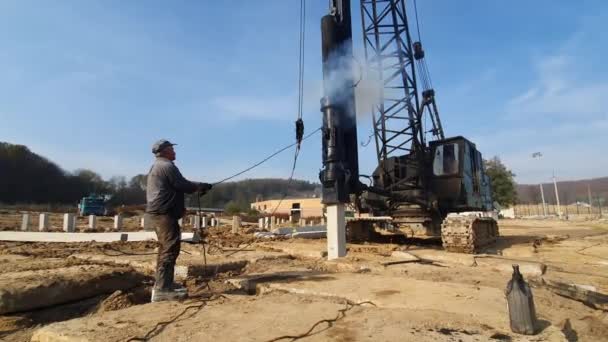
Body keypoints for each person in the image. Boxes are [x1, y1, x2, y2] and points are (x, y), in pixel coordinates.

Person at [146, 139, 212, 302]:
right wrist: (200, 186)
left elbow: (175, 188)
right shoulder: (167, 166)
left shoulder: (159, 166)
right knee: (170, 248)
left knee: (165, 248)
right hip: (164, 213)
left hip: (161, 212)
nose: (174, 152)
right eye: (171, 149)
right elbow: (181, 185)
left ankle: (163, 283)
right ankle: (163, 289)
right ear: (164, 151)